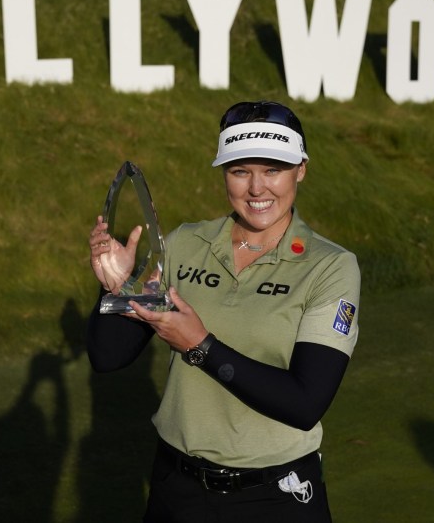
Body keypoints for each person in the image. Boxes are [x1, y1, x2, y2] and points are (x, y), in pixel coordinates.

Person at [86, 100, 361, 522]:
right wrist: (118, 286)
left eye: (273, 170)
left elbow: (305, 403)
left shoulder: (330, 265)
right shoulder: (184, 243)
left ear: (300, 169)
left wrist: (200, 346)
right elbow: (108, 357)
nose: (256, 188)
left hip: (274, 498)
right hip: (176, 491)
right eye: (240, 171)